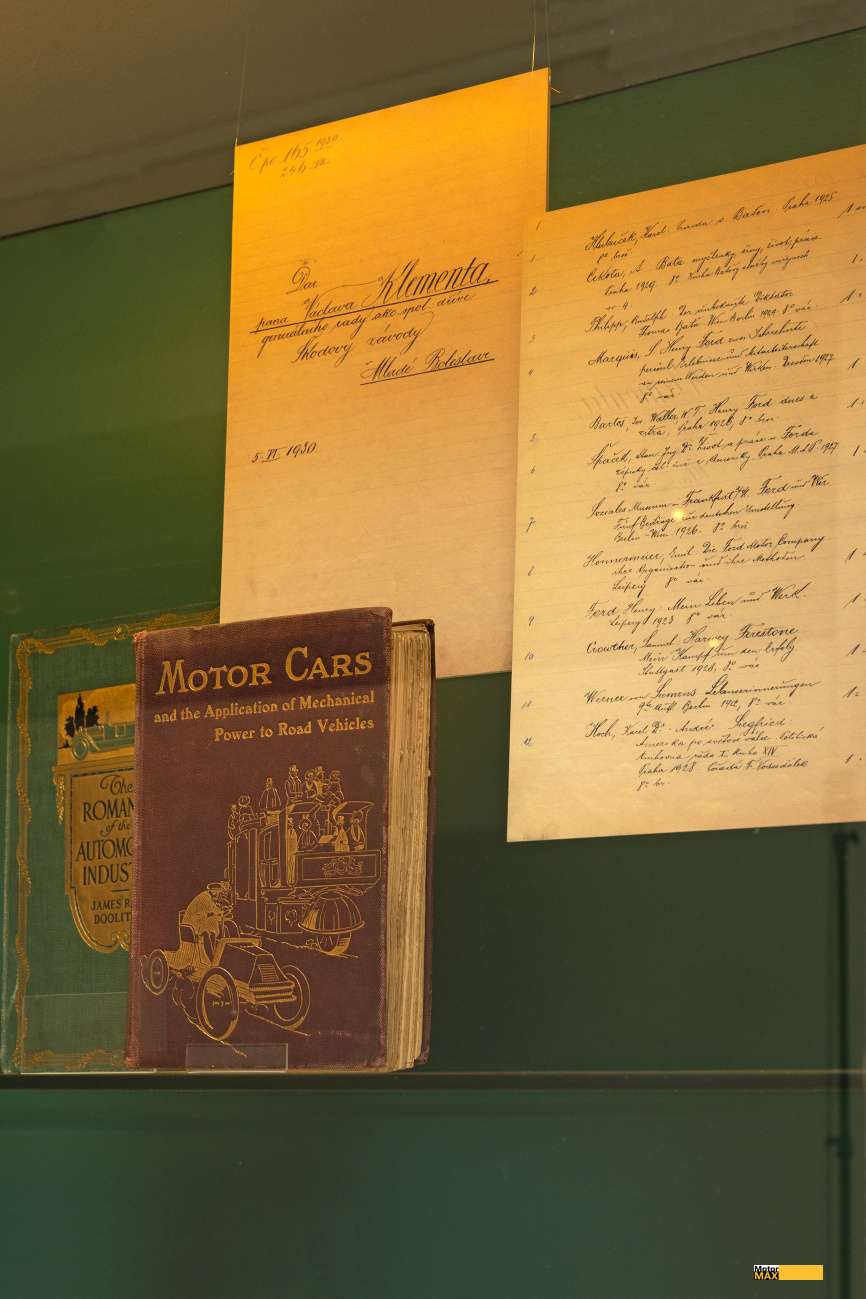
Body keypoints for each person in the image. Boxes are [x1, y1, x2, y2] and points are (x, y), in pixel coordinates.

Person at [285, 815, 299, 883]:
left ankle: (293, 880)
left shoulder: (295, 832)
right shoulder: (286, 832)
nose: (291, 826)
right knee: (288, 865)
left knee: (293, 865)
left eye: (292, 824)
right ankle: (288, 880)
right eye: (290, 824)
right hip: (288, 851)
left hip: (294, 851)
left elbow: (296, 841)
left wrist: (296, 850)